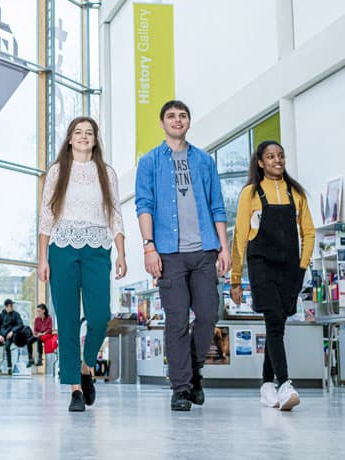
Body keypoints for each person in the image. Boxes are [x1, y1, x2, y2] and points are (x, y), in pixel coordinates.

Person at [135, 100, 231, 412]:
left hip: (204, 250)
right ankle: (180, 387)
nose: (178, 120)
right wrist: (149, 246)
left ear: (189, 121)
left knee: (207, 315)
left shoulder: (204, 161)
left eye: (183, 115)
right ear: (162, 123)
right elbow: (144, 205)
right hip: (168, 253)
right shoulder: (150, 162)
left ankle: (193, 371)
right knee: (176, 320)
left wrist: (224, 247)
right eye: (172, 116)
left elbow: (217, 205)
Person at [38, 116, 126, 412]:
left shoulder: (107, 172)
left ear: (95, 139)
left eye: (89, 133)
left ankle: (87, 366)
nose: (84, 136)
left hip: (97, 249)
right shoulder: (57, 171)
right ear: (70, 138)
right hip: (61, 249)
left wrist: (122, 252)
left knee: (101, 316)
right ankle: (75, 388)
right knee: (67, 320)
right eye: (78, 132)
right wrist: (42, 259)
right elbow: (46, 216)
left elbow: (115, 213)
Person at [230, 140, 313, 411]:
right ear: (261, 162)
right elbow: (241, 237)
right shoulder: (250, 194)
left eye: (281, 156)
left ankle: (267, 385)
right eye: (271, 156)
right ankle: (285, 383)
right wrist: (236, 277)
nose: (277, 160)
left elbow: (309, 233)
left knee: (277, 325)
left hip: (291, 267)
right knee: (275, 320)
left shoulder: (295, 193)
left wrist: (302, 266)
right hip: (261, 265)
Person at [0, 299, 24, 375]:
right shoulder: (1, 316)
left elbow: (20, 325)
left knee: (7, 347)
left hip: (10, 337)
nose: (12, 307)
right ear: (6, 306)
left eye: (12, 305)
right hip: (1, 337)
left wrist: (12, 331)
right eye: (10, 305)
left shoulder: (16, 314)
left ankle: (9, 368)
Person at [26, 303, 53, 367]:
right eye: (37, 311)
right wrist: (35, 334)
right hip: (39, 335)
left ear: (44, 311)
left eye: (39, 311)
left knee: (39, 339)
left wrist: (42, 334)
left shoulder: (49, 318)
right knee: (29, 341)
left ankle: (39, 359)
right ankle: (30, 359)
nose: (38, 312)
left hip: (46, 334)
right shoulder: (36, 319)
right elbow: (35, 330)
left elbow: (49, 329)